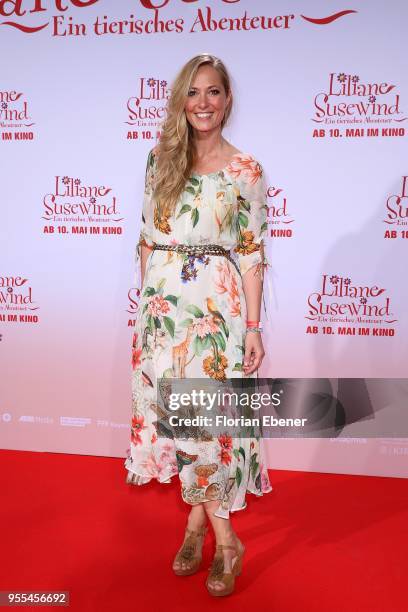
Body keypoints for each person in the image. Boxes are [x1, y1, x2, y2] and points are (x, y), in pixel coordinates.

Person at [124, 53, 272, 597]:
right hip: (164, 310)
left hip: (216, 312)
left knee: (208, 426)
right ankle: (196, 525)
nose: (203, 103)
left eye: (213, 92)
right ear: (180, 102)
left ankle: (227, 541)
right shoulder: (158, 159)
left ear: (227, 100)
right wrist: (146, 314)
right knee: (178, 423)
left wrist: (253, 327)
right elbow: (145, 238)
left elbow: (253, 250)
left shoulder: (245, 170)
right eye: (193, 93)